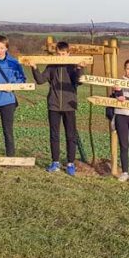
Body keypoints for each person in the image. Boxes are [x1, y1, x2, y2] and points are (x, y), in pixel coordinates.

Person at [28, 41, 84, 175]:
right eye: (59, 54)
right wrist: (34, 67)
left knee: (70, 135)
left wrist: (80, 68)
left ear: (68, 53)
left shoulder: (72, 67)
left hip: (69, 105)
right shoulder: (51, 67)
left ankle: (70, 163)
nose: (61, 56)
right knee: (54, 135)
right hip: (53, 105)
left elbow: (78, 81)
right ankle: (55, 162)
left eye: (63, 54)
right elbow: (40, 80)